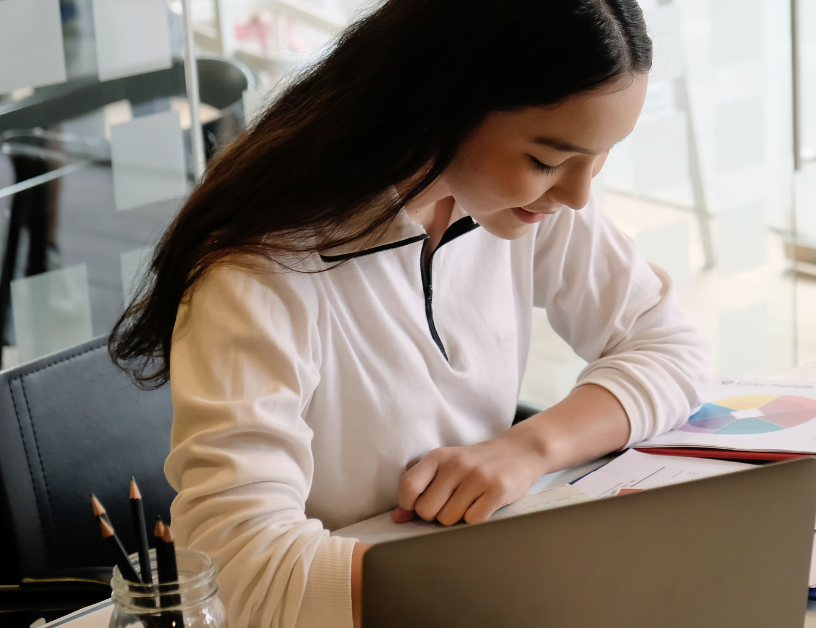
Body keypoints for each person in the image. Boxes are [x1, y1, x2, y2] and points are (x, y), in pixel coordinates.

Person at [109, 1, 710, 627]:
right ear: (437, 101)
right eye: (548, 160)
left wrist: (528, 448)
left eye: (602, 154)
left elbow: (672, 345)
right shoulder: (258, 274)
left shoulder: (516, 203)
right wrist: (513, 583)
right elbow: (245, 569)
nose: (578, 195)